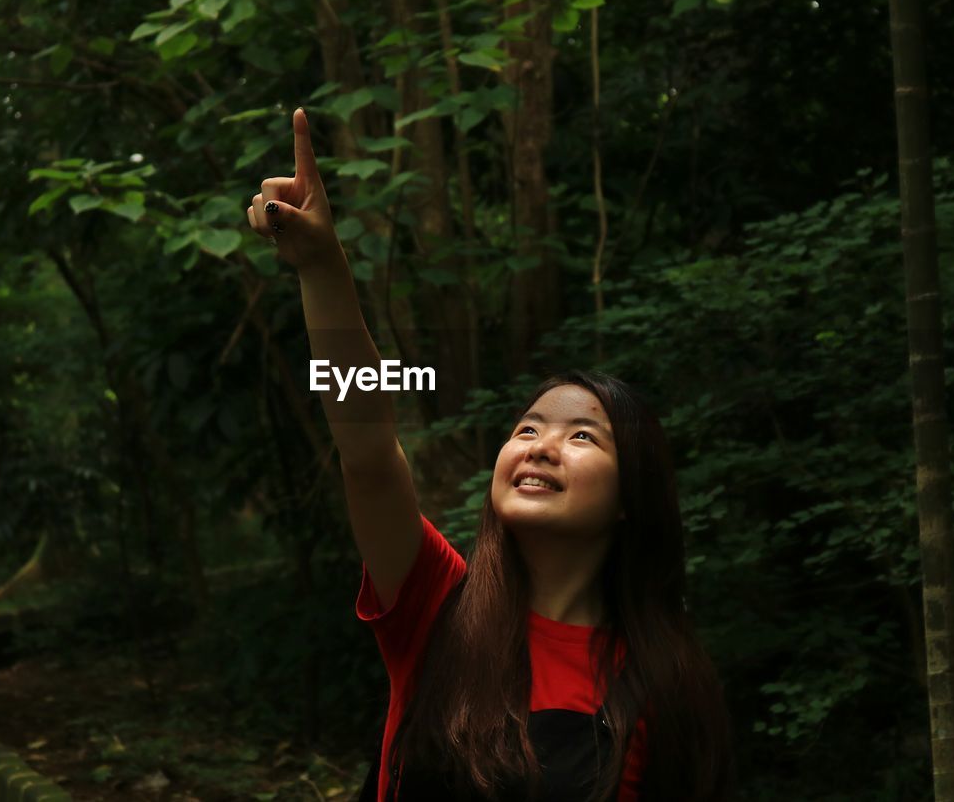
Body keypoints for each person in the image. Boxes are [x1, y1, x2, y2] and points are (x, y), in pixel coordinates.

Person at [248, 108, 735, 802]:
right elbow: (367, 450)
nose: (542, 446)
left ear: (633, 496)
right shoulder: (435, 606)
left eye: (583, 434)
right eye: (529, 428)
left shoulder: (666, 682)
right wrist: (324, 266)